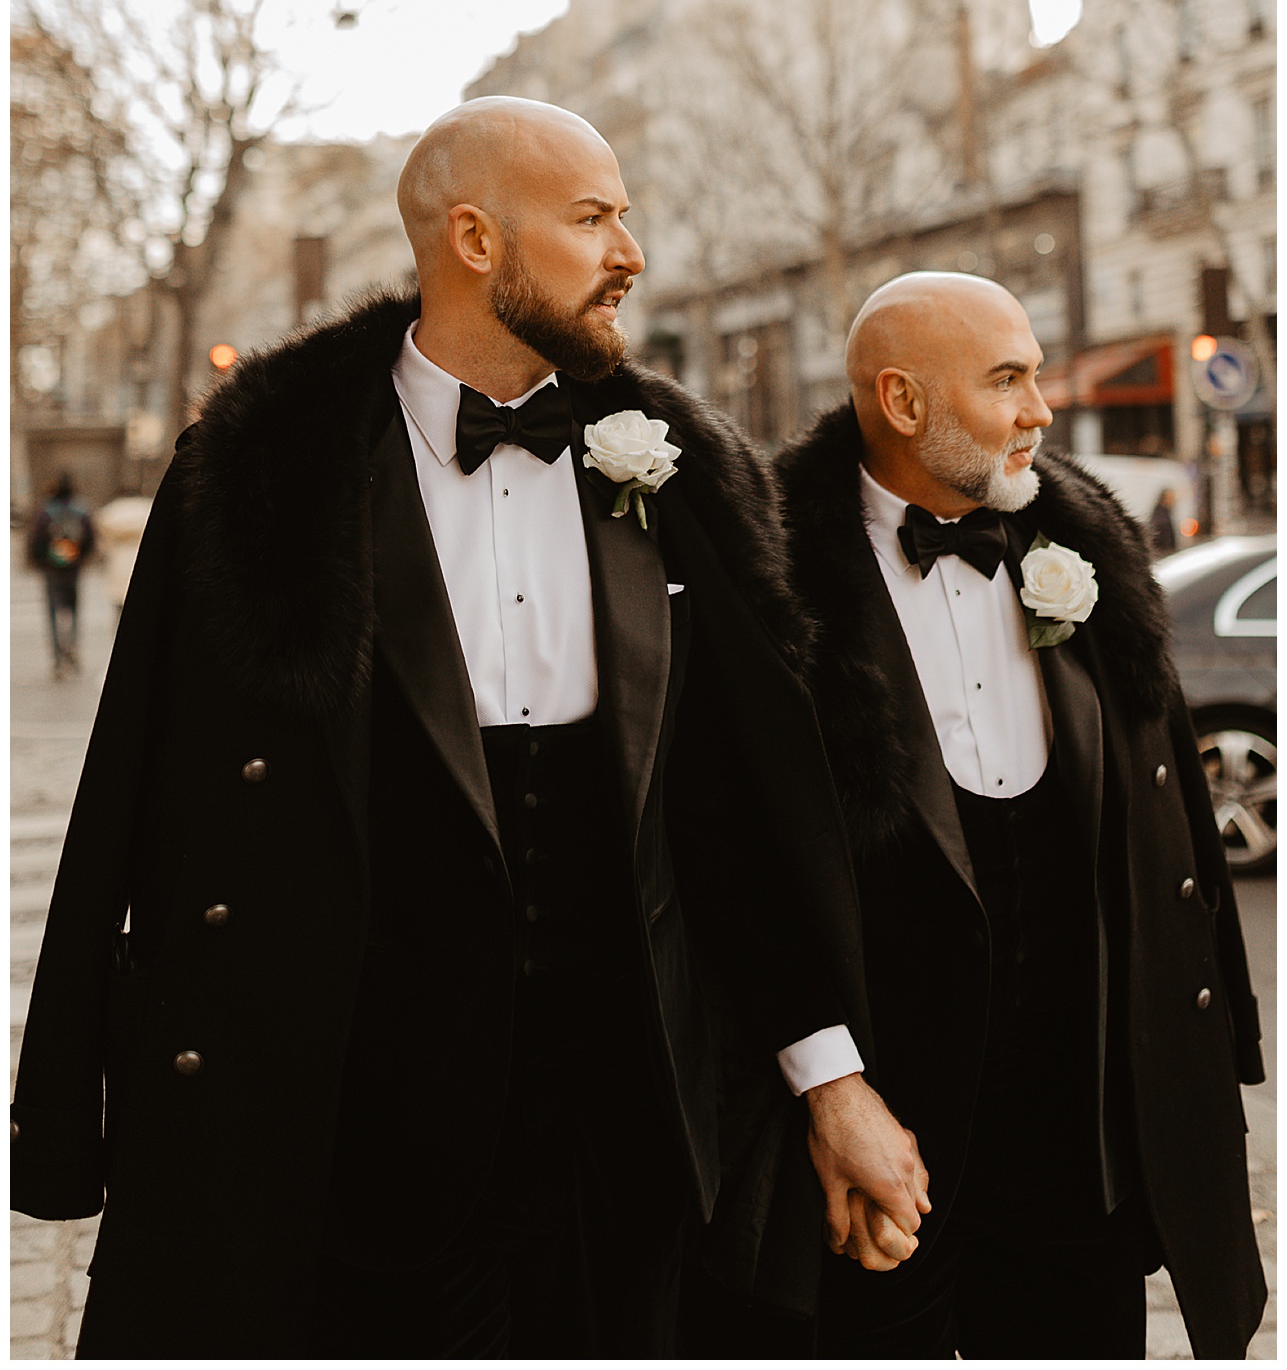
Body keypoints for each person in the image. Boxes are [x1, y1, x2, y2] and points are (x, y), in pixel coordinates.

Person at [11, 98, 927, 1361]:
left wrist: (832, 1083)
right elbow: (128, 788)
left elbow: (734, 816)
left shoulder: (685, 475)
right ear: (476, 240)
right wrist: (62, 1119)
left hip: (622, 1145)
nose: (632, 251)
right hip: (340, 1136)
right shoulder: (259, 474)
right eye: (594, 216)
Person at [766, 272, 1265, 1359]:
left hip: (1079, 1145)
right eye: (1008, 381)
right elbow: (738, 860)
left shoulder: (1090, 549)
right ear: (902, 403)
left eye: (1036, 375)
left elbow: (1163, 814)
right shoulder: (772, 574)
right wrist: (830, 1092)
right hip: (879, 1151)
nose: (1042, 409)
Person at [27, 473, 95, 678]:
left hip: (52, 567)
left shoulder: (46, 511)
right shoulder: (80, 509)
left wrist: (39, 561)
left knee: (53, 611)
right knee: (74, 609)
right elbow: (90, 536)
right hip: (73, 565)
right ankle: (73, 645)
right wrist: (83, 556)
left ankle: (58, 657)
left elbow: (36, 538)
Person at [1147, 484, 1179, 556]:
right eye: (1171, 498)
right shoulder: (1161, 518)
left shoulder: (1163, 514)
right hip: (1164, 554)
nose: (1173, 500)